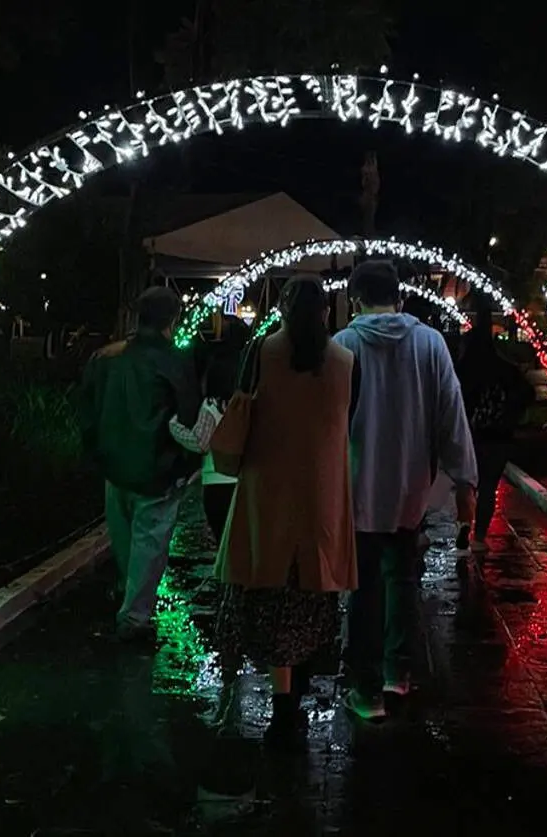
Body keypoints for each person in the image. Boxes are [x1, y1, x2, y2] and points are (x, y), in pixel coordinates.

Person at [215, 277, 360, 740]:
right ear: (325, 310)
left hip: (266, 491)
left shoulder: (261, 352)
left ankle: (281, 704)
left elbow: (240, 409)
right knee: (311, 594)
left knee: (270, 594)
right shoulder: (345, 360)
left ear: (280, 307)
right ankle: (295, 700)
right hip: (321, 495)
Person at [334, 260, 477, 720]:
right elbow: (450, 411)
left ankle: (365, 690)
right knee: (403, 581)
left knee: (364, 588)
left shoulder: (343, 345)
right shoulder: (429, 343)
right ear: (400, 296)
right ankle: (399, 673)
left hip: (358, 486)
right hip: (411, 486)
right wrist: (464, 480)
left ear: (355, 298)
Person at [77, 287, 200, 644]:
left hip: (114, 465)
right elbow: (188, 414)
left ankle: (128, 598)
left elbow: (86, 410)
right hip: (158, 467)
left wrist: (97, 452)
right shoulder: (175, 361)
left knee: (125, 538)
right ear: (172, 319)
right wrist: (187, 462)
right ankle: (134, 616)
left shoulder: (106, 357)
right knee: (149, 542)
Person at [456, 317, 536, 550]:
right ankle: (479, 537)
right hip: (498, 436)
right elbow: (527, 393)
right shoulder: (505, 369)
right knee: (488, 487)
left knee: (466, 484)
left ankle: (462, 524)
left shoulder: (464, 370)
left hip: (469, 435)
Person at [197, 318, 251, 538]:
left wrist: (174, 427)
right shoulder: (251, 403)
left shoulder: (210, 406)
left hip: (215, 479)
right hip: (247, 480)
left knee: (223, 543)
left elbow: (200, 441)